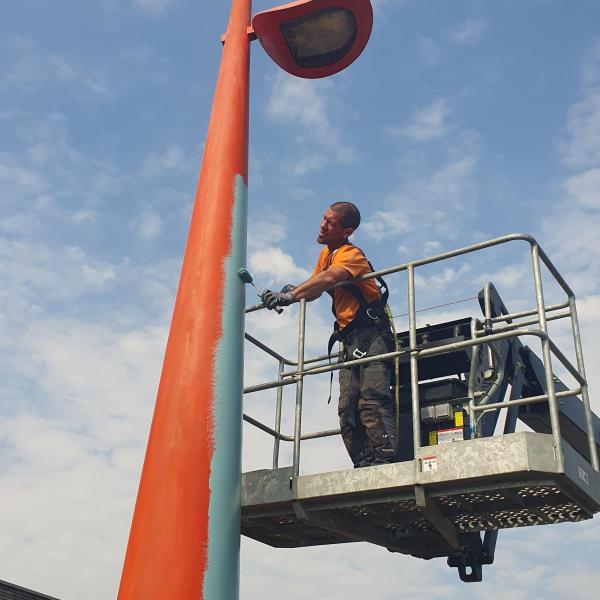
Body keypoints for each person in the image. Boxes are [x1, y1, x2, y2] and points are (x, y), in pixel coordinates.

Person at [261, 202, 398, 467]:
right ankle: (364, 465)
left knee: (371, 401)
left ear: (346, 231)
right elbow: (315, 288)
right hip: (350, 340)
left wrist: (289, 295)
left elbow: (330, 278)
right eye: (324, 219)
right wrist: (292, 292)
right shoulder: (327, 254)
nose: (323, 225)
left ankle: (386, 466)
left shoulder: (350, 254)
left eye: (331, 223)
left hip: (372, 337)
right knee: (347, 410)